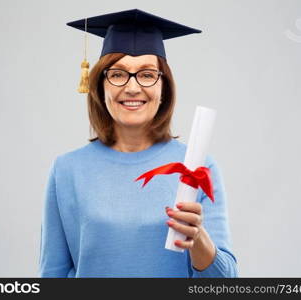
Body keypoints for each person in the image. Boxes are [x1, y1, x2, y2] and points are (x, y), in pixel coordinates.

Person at [39, 9, 238, 278]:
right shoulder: (67, 170)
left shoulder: (197, 167)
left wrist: (198, 238)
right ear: (100, 85)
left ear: (163, 87)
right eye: (118, 74)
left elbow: (225, 282)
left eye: (146, 74)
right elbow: (52, 274)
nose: (132, 88)